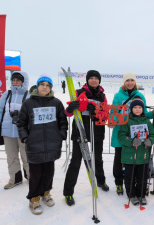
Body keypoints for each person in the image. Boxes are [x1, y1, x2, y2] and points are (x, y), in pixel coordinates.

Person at [17, 74, 68, 215]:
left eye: (47, 85)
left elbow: (63, 121)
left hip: (52, 144)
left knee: (49, 172)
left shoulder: (56, 103)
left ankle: (46, 193)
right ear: (37, 86)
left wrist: (61, 135)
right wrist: (26, 137)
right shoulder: (28, 103)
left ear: (50, 88)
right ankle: (34, 198)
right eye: (42, 84)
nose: (45, 87)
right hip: (35, 145)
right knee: (35, 174)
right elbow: (21, 123)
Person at [63, 70, 109, 206]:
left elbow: (105, 114)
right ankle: (68, 192)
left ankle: (100, 181)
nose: (94, 80)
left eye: (96, 78)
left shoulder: (102, 95)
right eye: (92, 78)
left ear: (99, 80)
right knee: (76, 161)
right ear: (87, 80)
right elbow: (68, 113)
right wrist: (70, 108)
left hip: (97, 129)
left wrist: (96, 110)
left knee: (98, 157)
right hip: (81, 129)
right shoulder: (78, 92)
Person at [109, 72, 154, 195]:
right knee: (119, 160)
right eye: (127, 80)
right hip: (122, 133)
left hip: (138, 134)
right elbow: (113, 114)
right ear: (124, 82)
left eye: (132, 80)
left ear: (135, 82)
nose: (130, 83)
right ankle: (119, 183)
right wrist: (124, 119)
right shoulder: (118, 96)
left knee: (136, 160)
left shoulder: (140, 95)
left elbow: (144, 114)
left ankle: (136, 184)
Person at [0, 71, 30, 189]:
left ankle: (31, 177)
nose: (15, 82)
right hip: (7, 131)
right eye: (13, 80)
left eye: (18, 80)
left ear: (24, 81)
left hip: (23, 132)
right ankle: (15, 179)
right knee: (11, 157)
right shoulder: (6, 95)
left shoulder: (28, 96)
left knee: (26, 156)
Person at [118, 96, 154, 205]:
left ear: (143, 109)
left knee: (142, 177)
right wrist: (131, 142)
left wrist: (150, 141)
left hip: (142, 156)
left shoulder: (147, 121)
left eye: (140, 107)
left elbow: (152, 134)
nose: (137, 109)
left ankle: (141, 194)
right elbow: (121, 136)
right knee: (130, 177)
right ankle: (132, 195)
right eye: (135, 107)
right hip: (129, 156)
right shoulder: (127, 121)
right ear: (131, 109)